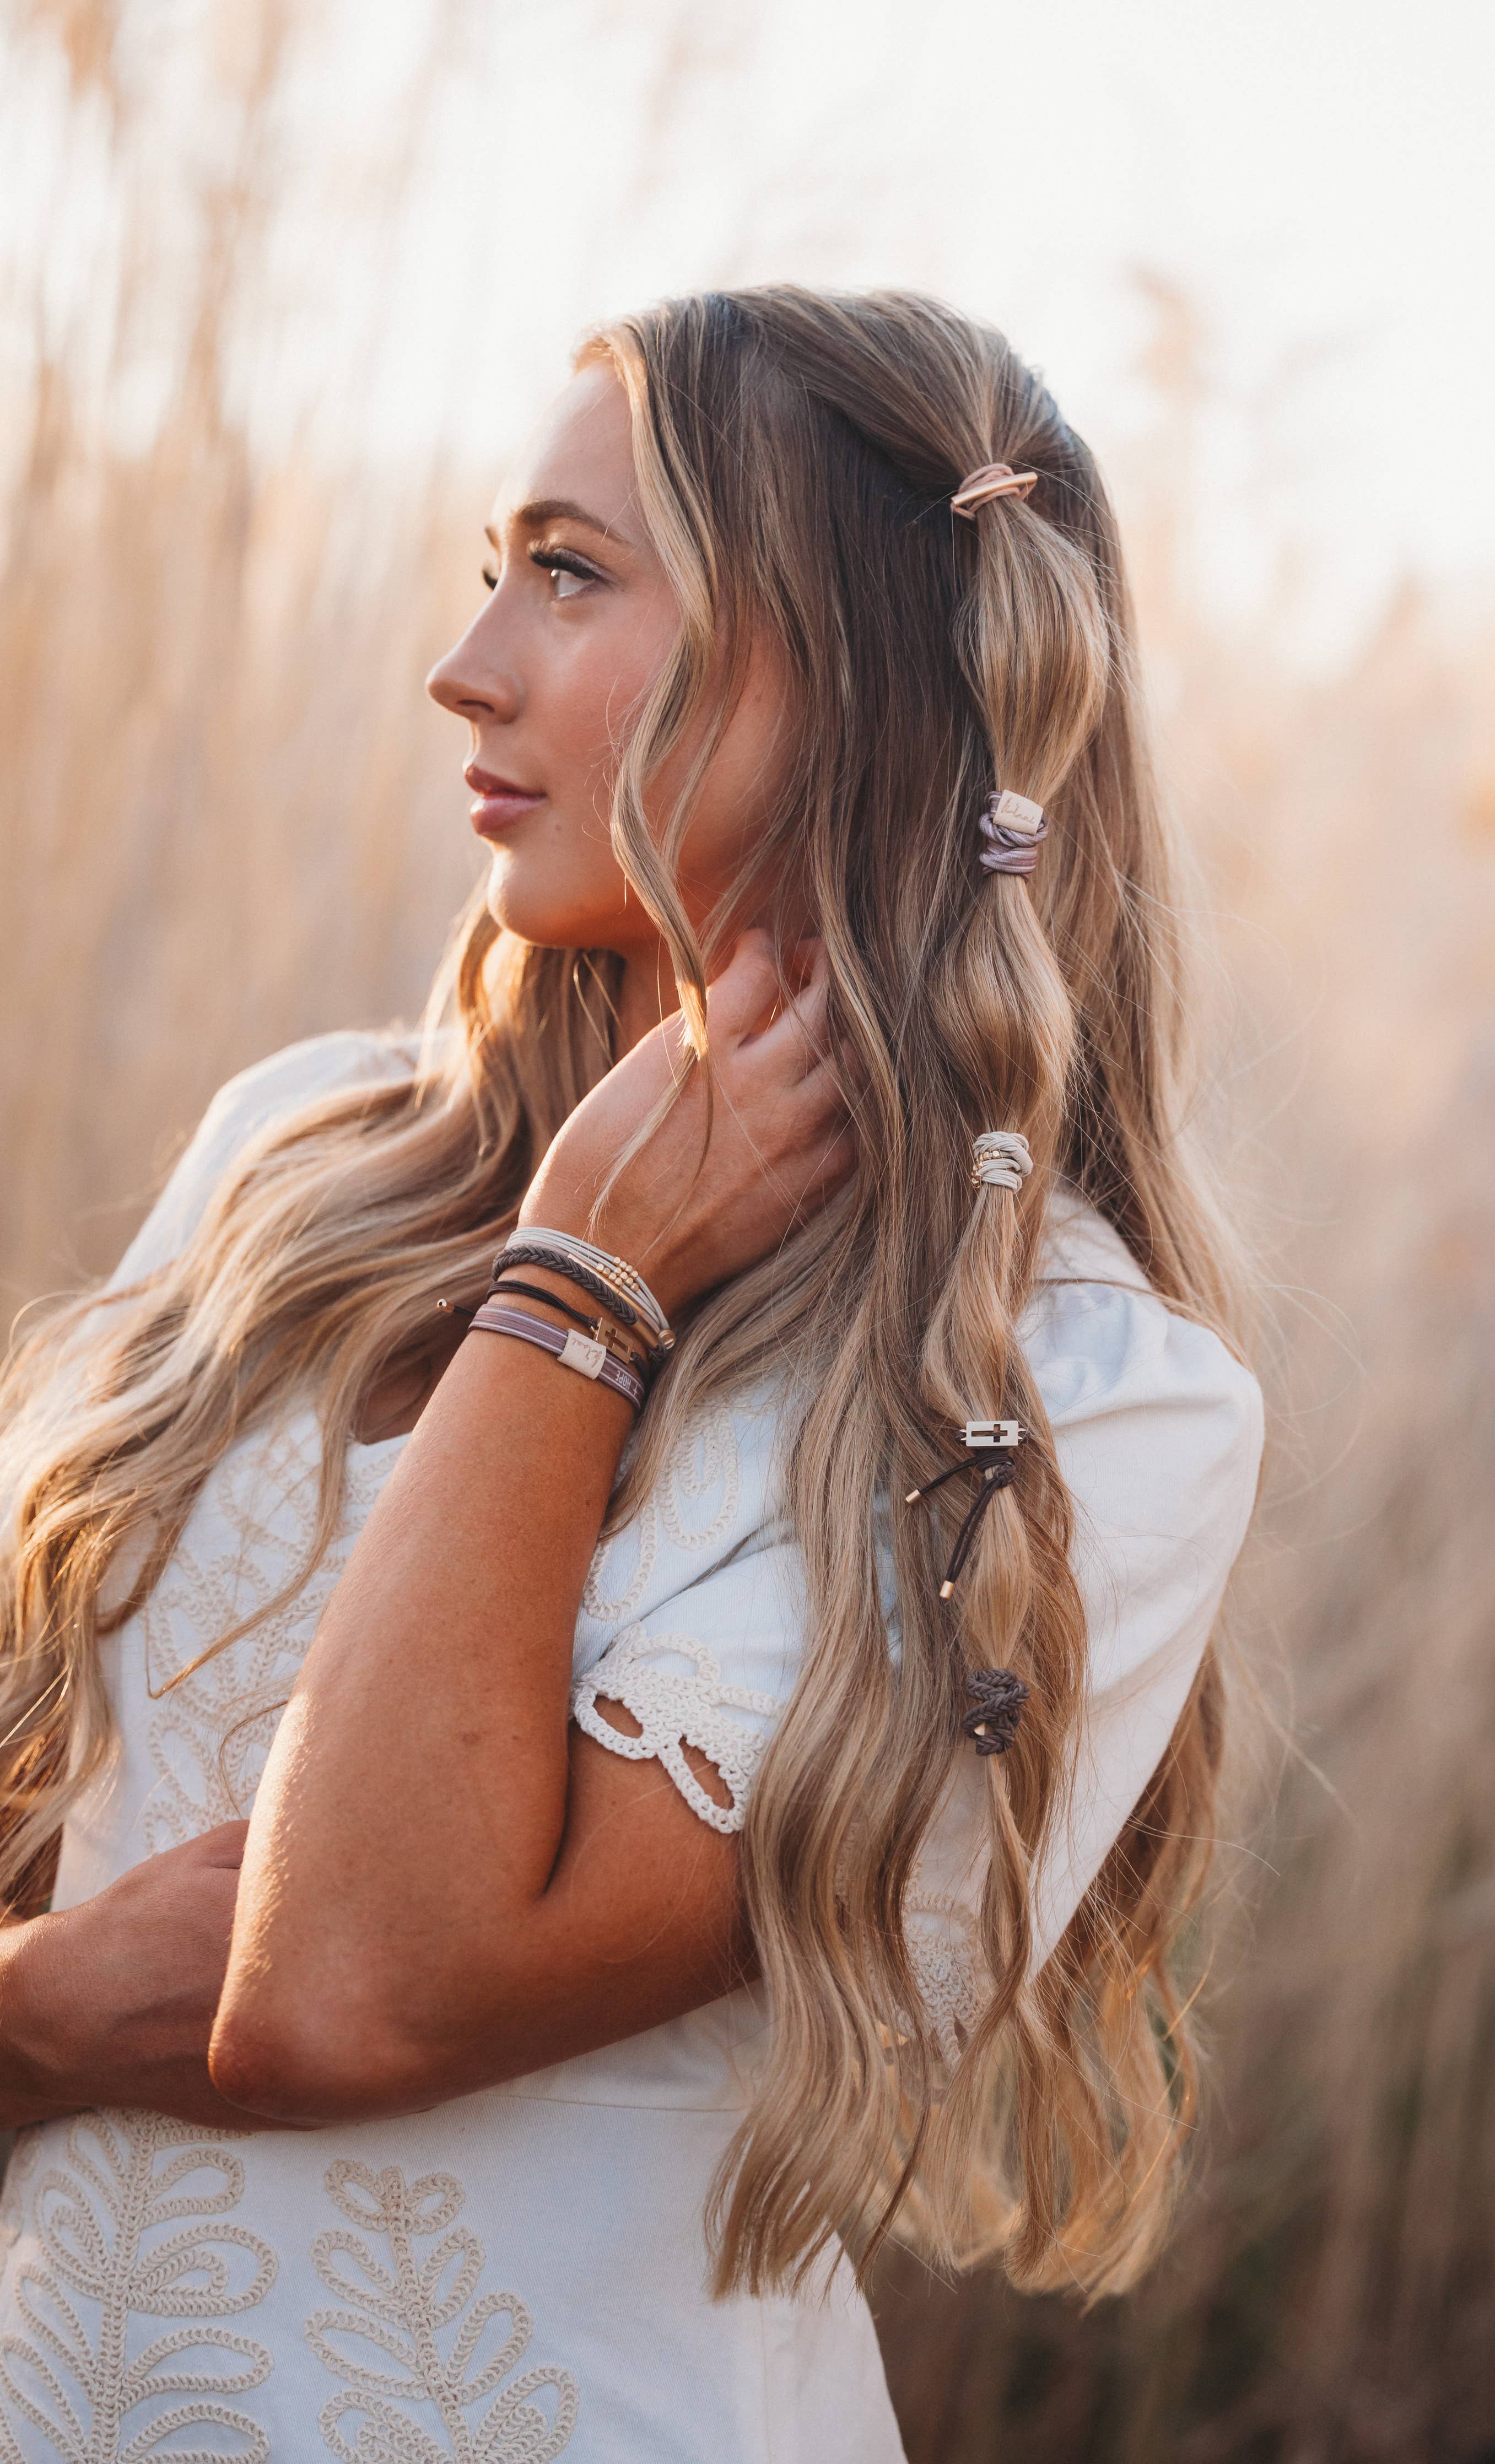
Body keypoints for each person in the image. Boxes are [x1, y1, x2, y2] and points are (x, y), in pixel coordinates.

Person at [0, 286, 1264, 2461]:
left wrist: (579, 1290)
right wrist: (28, 2017)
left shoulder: (1072, 1394)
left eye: (569, 573)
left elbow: (347, 1986)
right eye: (490, 566)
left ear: (857, 671)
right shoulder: (295, 1157)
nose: (465, 662)